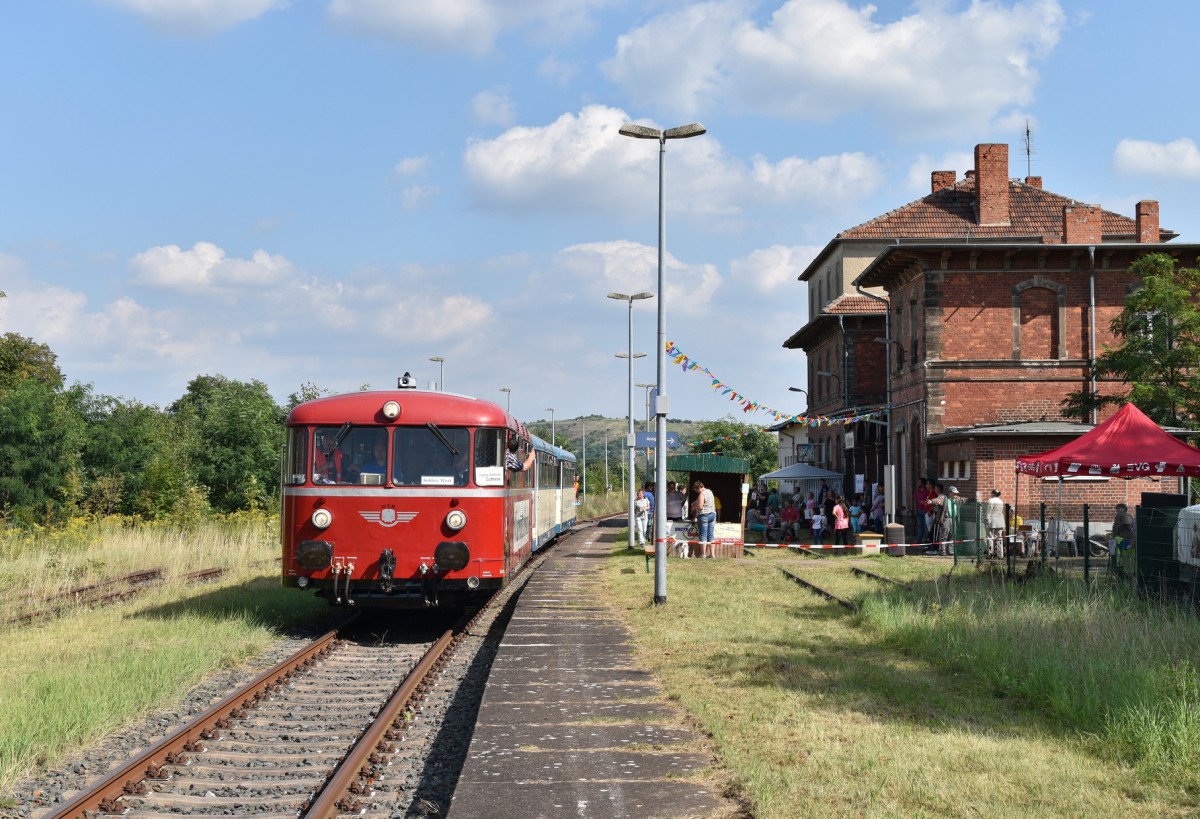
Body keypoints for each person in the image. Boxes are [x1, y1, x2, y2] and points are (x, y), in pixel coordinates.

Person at [692, 480, 717, 558]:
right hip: (713, 514)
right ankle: (712, 554)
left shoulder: (701, 494)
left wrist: (694, 507)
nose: (696, 491)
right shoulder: (709, 491)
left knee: (703, 536)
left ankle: (703, 554)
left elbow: (700, 507)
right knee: (711, 535)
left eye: (696, 490)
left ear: (698, 488)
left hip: (704, 515)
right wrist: (695, 502)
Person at [1112, 502, 1135, 575]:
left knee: (1119, 554)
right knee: (1128, 554)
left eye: (1118, 508)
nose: (1117, 510)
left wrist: (1115, 534)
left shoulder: (1119, 515)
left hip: (1122, 538)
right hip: (1131, 538)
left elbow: (1118, 527)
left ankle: (1119, 567)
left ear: (1123, 509)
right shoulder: (1130, 515)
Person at [986, 489, 1006, 558]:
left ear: (993, 494)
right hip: (1000, 520)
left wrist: (987, 520)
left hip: (992, 520)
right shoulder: (1001, 501)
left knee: (990, 537)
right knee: (999, 538)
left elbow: (989, 511)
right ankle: (1000, 554)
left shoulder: (991, 500)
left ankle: (990, 554)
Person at [914, 479, 931, 545]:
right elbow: (915, 500)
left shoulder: (927, 491)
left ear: (923, 484)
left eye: (919, 482)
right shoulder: (917, 491)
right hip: (919, 510)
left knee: (926, 525)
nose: (918, 483)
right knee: (919, 525)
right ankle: (919, 540)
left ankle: (927, 540)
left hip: (925, 510)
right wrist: (915, 509)